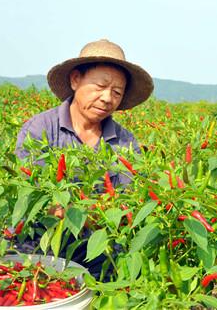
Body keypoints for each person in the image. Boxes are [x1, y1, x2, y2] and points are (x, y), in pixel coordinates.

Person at [14, 39, 154, 278]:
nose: (107, 98)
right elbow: (34, 200)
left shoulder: (124, 142)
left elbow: (127, 206)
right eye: (100, 86)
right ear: (75, 79)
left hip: (97, 249)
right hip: (37, 243)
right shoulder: (40, 129)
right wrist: (95, 212)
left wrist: (82, 213)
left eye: (117, 92)